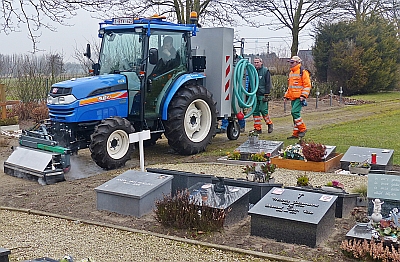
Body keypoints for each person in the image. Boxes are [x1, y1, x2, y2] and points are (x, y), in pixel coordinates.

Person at [285, 55, 311, 139]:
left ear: (298, 62)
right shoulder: (291, 73)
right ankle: (295, 134)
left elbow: (307, 85)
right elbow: (290, 87)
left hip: (299, 97)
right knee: (295, 116)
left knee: (294, 112)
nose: (290, 64)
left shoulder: (303, 72)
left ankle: (302, 129)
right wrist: (286, 96)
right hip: (293, 97)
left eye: (292, 62)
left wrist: (303, 95)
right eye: (290, 62)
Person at [252, 57, 273, 134]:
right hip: (254, 94)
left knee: (263, 110)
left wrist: (266, 94)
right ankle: (258, 128)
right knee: (255, 111)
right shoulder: (253, 71)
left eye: (257, 62)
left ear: (261, 62)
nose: (256, 64)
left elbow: (268, 83)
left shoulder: (265, 71)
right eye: (255, 62)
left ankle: (269, 124)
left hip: (263, 94)